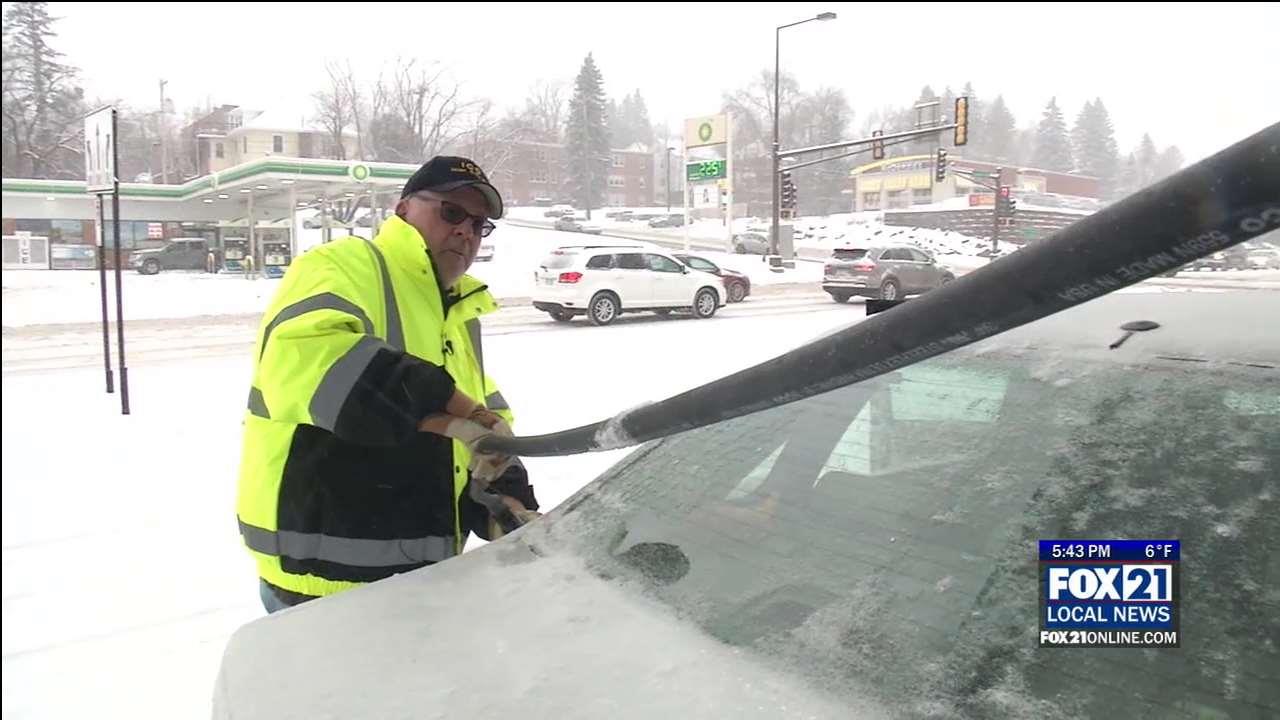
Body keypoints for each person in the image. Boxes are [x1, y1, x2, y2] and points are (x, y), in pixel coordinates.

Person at [236, 156, 539, 613]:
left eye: (480, 225)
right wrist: (448, 407)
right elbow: (308, 358)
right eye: (451, 212)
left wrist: (501, 486)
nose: (466, 231)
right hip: (323, 590)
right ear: (402, 211)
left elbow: (482, 422)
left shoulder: (457, 315)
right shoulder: (343, 264)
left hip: (417, 583)